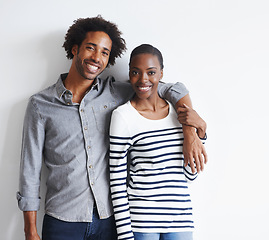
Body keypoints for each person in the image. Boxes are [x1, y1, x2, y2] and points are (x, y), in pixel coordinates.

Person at [17, 16, 207, 240]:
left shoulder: (117, 92)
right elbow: (30, 171)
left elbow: (169, 88)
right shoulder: (40, 105)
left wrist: (190, 131)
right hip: (63, 220)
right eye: (91, 48)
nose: (97, 57)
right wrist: (30, 230)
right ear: (75, 48)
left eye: (105, 52)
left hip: (109, 220)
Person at [109, 44, 207, 240]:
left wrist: (201, 132)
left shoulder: (179, 114)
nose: (143, 79)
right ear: (129, 74)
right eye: (135, 72)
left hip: (180, 220)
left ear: (161, 74)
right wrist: (125, 235)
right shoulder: (122, 116)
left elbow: (190, 175)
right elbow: (117, 182)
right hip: (142, 222)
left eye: (151, 72)